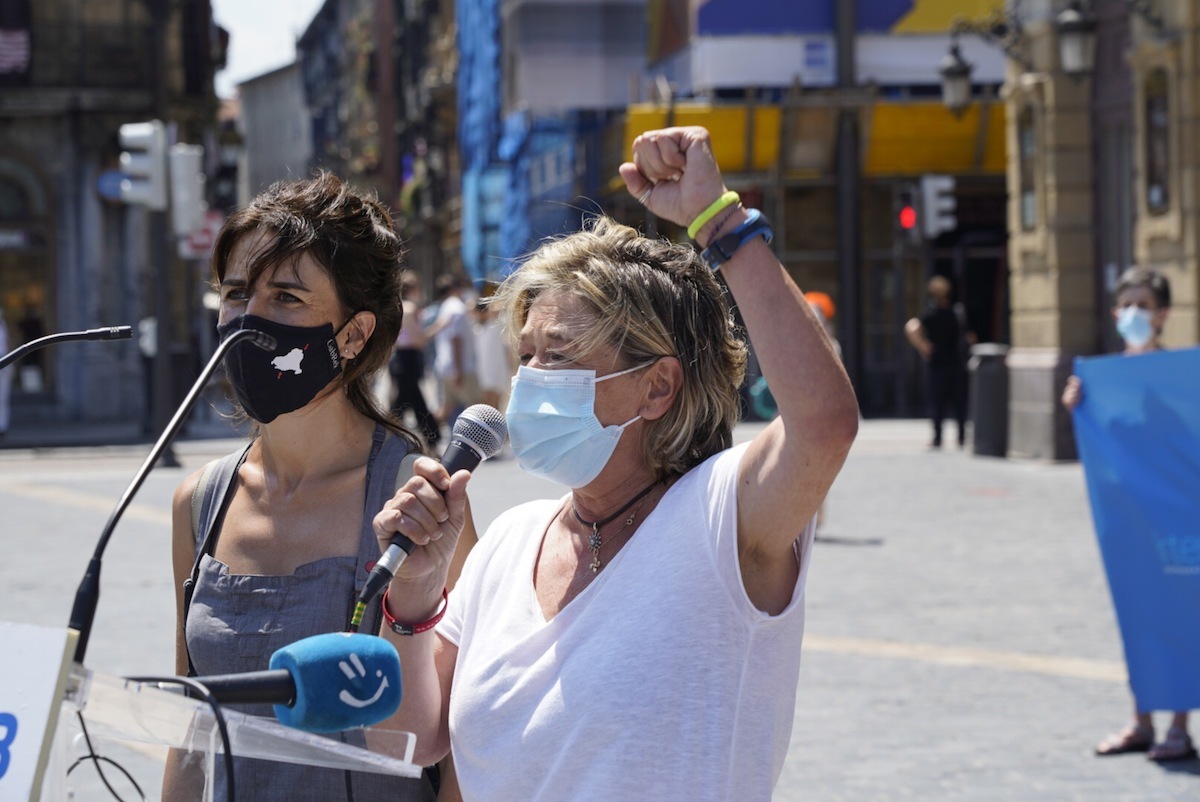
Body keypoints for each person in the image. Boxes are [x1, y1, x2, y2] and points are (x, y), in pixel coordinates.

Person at [371, 126, 859, 799]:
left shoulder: (719, 519)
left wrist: (721, 221)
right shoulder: (510, 541)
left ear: (656, 386)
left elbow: (824, 425)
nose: (531, 378)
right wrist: (413, 599)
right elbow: (413, 739)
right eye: (528, 355)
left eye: (561, 355)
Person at [164, 173, 476, 800]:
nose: (249, 320)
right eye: (235, 293)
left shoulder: (419, 497)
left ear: (354, 334)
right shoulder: (201, 499)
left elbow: (464, 749)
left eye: (286, 298)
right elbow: (192, 726)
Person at [1063, 266, 1194, 762]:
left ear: (1162, 315)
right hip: (1127, 519)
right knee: (1137, 612)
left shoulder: (1181, 376)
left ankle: (1179, 724)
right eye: (1127, 304)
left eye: (1144, 304)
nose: (1134, 313)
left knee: (1180, 610)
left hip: (1176, 518)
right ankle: (1140, 719)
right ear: (1116, 314)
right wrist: (1076, 406)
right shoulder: (1104, 379)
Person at [905, 275, 971, 448]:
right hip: (953, 361)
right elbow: (969, 336)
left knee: (939, 402)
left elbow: (911, 327)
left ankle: (938, 438)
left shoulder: (931, 312)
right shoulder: (956, 311)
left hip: (940, 362)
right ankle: (960, 437)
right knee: (957, 402)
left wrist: (922, 346)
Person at [390, 270, 441, 448]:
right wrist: (436, 328)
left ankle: (430, 436)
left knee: (409, 400)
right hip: (409, 358)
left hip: (401, 358)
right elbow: (418, 340)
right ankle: (431, 436)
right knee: (407, 401)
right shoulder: (409, 309)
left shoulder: (397, 307)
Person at [426, 274, 478, 428]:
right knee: (475, 408)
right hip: (461, 367)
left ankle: (429, 431)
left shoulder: (446, 307)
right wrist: (458, 369)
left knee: (447, 407)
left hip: (446, 365)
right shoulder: (457, 308)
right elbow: (456, 339)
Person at [471, 295, 514, 414]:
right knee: (490, 407)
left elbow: (503, 307)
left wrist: (489, 307)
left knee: (494, 407)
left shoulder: (495, 324)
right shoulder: (477, 328)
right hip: (483, 373)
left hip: (496, 373)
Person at [0, 307, 10, 440]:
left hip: (4, 362)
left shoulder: (3, 326)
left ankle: (2, 426)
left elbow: (7, 344)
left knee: (3, 397)